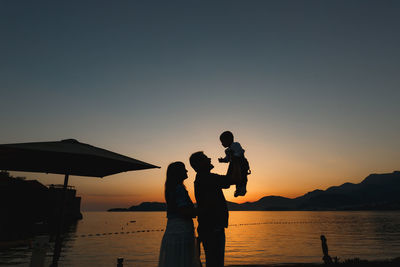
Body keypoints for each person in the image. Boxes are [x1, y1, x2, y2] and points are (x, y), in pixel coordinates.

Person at [189, 151, 240, 267]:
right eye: (206, 158)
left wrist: (233, 161)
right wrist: (235, 159)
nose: (209, 159)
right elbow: (232, 180)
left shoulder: (204, 178)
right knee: (215, 263)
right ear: (199, 164)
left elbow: (228, 180)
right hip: (213, 229)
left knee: (213, 261)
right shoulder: (207, 178)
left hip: (209, 228)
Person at [158, 162, 200, 267]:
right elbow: (184, 211)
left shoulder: (171, 189)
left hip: (172, 230)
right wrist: (202, 210)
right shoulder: (180, 189)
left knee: (173, 260)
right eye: (184, 169)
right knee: (184, 260)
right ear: (178, 173)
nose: (186, 171)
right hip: (182, 231)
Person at [218, 131, 250, 197]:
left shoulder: (236, 145)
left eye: (223, 142)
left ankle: (242, 188)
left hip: (241, 162)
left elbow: (240, 152)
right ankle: (238, 189)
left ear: (229, 139)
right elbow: (227, 159)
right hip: (233, 164)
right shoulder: (227, 151)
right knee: (232, 176)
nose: (222, 144)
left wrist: (235, 155)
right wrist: (223, 160)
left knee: (243, 176)